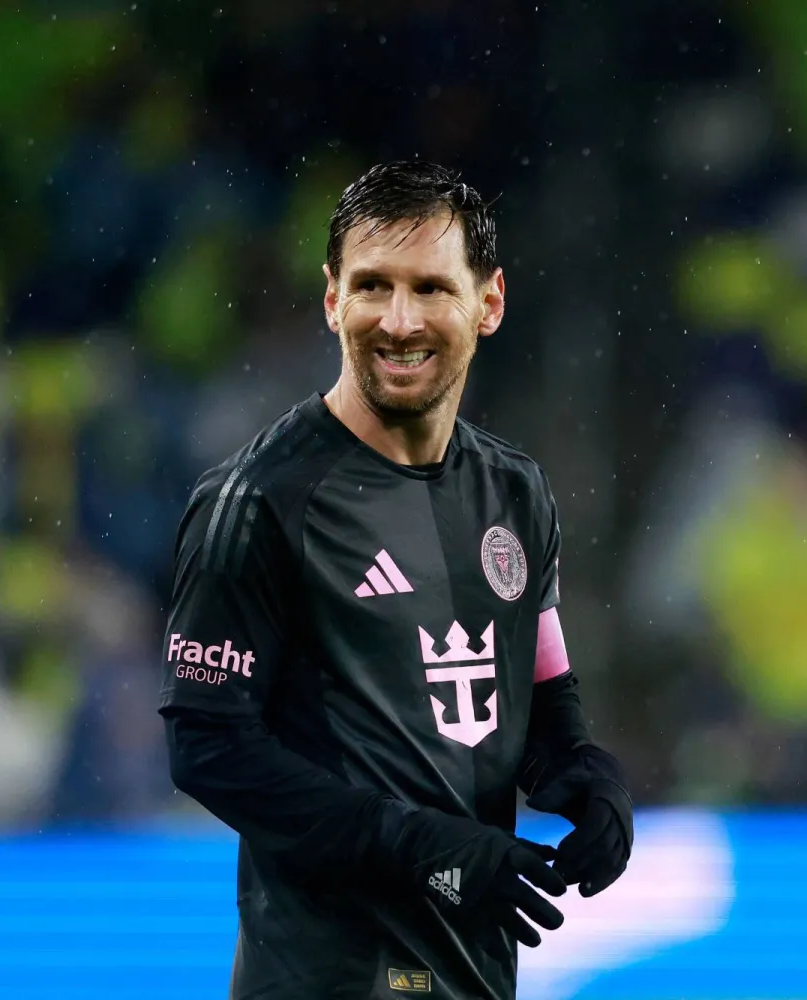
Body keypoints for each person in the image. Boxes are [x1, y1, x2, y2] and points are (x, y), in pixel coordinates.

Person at [158, 161, 633, 1000]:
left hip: (474, 971)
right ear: (332, 298)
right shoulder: (260, 500)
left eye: (430, 288)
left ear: (488, 304)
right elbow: (209, 749)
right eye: (372, 286)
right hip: (325, 977)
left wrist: (590, 781)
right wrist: (427, 850)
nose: (399, 320)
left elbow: (539, 695)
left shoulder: (516, 493)